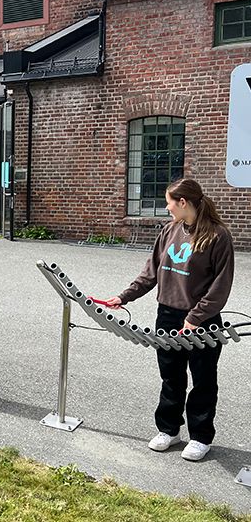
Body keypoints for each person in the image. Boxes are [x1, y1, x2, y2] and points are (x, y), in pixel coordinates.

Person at [106, 178, 234, 461]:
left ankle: (200, 437)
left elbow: (221, 286)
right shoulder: (169, 231)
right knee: (171, 377)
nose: (167, 208)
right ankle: (169, 430)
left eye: (169, 202)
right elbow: (150, 273)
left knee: (203, 380)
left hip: (202, 320)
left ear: (183, 203)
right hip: (167, 315)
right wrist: (124, 297)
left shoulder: (218, 235)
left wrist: (196, 317)